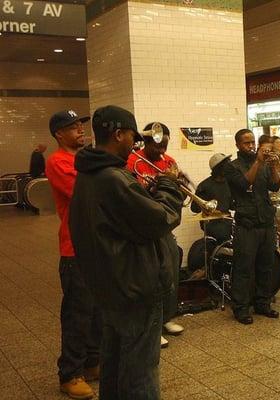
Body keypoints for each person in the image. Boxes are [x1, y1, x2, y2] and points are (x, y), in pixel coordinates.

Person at [69, 105, 185, 400]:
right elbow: (160, 219)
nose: (135, 143)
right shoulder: (113, 178)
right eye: (132, 137)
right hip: (135, 287)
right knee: (140, 371)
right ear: (118, 134)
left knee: (115, 362)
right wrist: (169, 185)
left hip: (113, 284)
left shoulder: (90, 174)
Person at [45, 110, 100, 399]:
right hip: (74, 248)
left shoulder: (83, 159)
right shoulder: (57, 162)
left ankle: (92, 362)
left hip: (93, 246)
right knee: (77, 315)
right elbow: (85, 193)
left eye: (81, 124)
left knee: (96, 311)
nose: (80, 129)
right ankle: (70, 373)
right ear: (59, 134)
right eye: (72, 126)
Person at [126, 122, 185, 348]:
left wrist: (176, 184)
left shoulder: (168, 161)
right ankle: (154, 326)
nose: (163, 152)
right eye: (159, 147)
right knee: (153, 277)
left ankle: (167, 318)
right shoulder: (133, 161)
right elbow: (135, 194)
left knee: (171, 270)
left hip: (163, 226)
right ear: (148, 141)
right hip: (144, 225)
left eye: (165, 147)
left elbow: (177, 191)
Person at [224, 128, 280, 324]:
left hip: (265, 221)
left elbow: (274, 186)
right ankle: (240, 307)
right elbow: (243, 183)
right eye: (247, 142)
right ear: (238, 145)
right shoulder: (232, 167)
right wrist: (258, 161)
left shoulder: (264, 165)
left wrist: (273, 167)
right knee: (243, 268)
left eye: (253, 141)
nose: (251, 145)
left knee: (266, 265)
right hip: (246, 224)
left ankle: (262, 303)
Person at [190, 153, 233, 243]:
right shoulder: (205, 186)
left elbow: (232, 205)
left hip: (227, 222)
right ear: (218, 168)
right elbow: (194, 208)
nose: (230, 167)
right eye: (227, 165)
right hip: (212, 224)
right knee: (222, 234)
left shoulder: (230, 183)